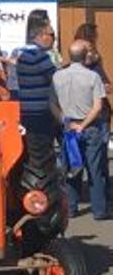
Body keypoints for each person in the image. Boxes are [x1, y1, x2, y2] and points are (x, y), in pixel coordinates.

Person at [53, 40, 108, 220]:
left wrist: (64, 121)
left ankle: (71, 207)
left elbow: (51, 103)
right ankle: (99, 210)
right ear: (85, 56)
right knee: (95, 170)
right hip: (90, 126)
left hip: (68, 127)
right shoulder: (93, 77)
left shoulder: (58, 76)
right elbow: (98, 106)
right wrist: (83, 125)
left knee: (72, 168)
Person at [15, 21, 60, 137]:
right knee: (42, 150)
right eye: (52, 35)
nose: (54, 39)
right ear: (41, 36)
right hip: (40, 110)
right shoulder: (39, 56)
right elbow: (56, 78)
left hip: (26, 107)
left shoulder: (21, 52)